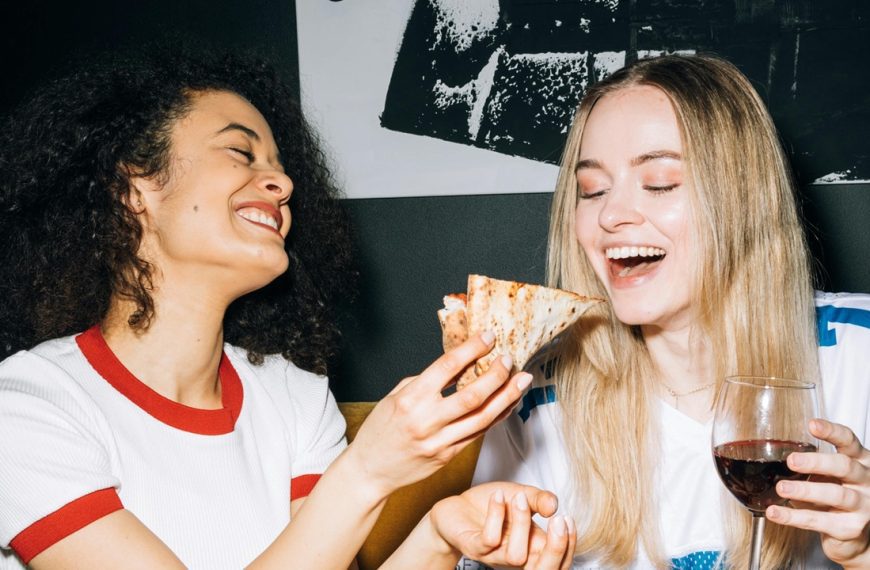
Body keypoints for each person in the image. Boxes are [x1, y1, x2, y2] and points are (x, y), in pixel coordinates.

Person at [0, 44, 578, 569]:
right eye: (240, 152)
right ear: (132, 188)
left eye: (279, 165)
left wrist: (437, 540)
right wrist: (367, 472)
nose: (280, 182)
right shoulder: (28, 404)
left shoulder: (293, 397)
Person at [467, 54, 870, 569]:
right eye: (592, 190)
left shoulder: (858, 357)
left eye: (659, 183)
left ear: (745, 201)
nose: (611, 215)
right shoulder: (533, 406)